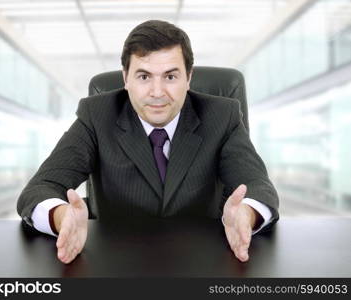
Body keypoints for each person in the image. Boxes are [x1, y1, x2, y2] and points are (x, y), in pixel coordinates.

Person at [17, 20, 279, 265]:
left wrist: (247, 214)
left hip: (203, 263)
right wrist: (61, 217)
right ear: (125, 79)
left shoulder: (222, 116)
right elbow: (41, 188)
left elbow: (257, 186)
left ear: (188, 78)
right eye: (144, 76)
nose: (156, 92)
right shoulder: (97, 116)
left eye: (170, 76)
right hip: (115, 264)